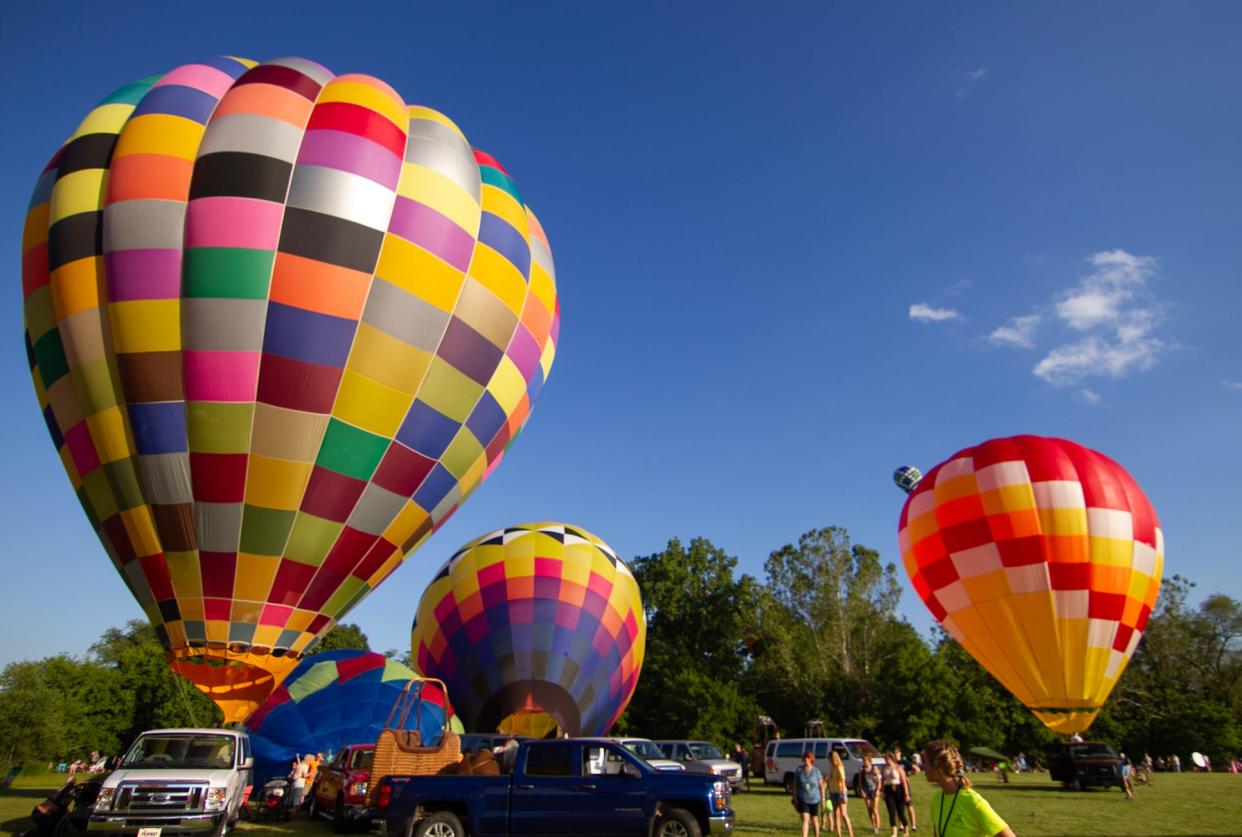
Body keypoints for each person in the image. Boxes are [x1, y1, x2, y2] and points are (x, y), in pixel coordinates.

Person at [921, 740, 1015, 837]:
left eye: (925, 762)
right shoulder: (937, 799)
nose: (923, 766)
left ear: (937, 766)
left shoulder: (973, 801)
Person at [792, 750, 825, 837]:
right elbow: (795, 785)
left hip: (814, 799)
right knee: (805, 820)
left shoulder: (816, 771)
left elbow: (821, 786)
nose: (806, 759)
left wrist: (823, 800)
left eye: (808, 758)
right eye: (805, 758)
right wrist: (795, 798)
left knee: (814, 820)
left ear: (811, 759)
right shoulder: (799, 770)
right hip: (802, 798)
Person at [822, 749, 855, 837]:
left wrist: (843, 794)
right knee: (836, 814)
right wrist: (824, 781)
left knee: (843, 813)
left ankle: (851, 834)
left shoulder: (840, 767)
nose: (830, 760)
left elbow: (843, 781)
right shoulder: (832, 767)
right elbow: (829, 778)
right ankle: (839, 834)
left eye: (831, 758)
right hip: (833, 792)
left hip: (840, 792)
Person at [881, 752, 911, 837]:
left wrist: (906, 794)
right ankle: (894, 833)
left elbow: (904, 782)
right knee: (891, 812)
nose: (886, 761)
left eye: (887, 759)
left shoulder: (898, 768)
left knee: (900, 812)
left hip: (898, 789)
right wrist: (882, 791)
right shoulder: (884, 768)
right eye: (885, 759)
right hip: (888, 789)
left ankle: (906, 831)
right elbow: (883, 780)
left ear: (891, 759)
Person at [858, 759, 882, 834]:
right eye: (864, 761)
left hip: (874, 790)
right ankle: (874, 825)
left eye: (866, 761)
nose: (864, 763)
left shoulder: (874, 769)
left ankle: (877, 827)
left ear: (870, 762)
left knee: (875, 809)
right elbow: (860, 781)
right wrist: (861, 790)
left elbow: (879, 781)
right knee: (869, 809)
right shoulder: (862, 770)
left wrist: (878, 790)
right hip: (866, 790)